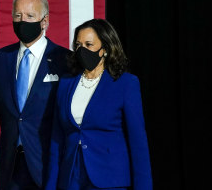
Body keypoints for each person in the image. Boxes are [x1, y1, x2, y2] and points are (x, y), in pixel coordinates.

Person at [0, 0, 70, 190]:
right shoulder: (0, 59)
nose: (23, 21)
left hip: (50, 165)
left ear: (44, 21)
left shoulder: (65, 60)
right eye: (18, 16)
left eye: (30, 16)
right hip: (11, 166)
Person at [46, 19, 152, 190]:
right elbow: (57, 140)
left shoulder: (125, 83)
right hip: (71, 177)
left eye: (89, 44)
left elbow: (138, 141)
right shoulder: (66, 83)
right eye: (78, 45)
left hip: (109, 178)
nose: (82, 50)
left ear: (105, 49)